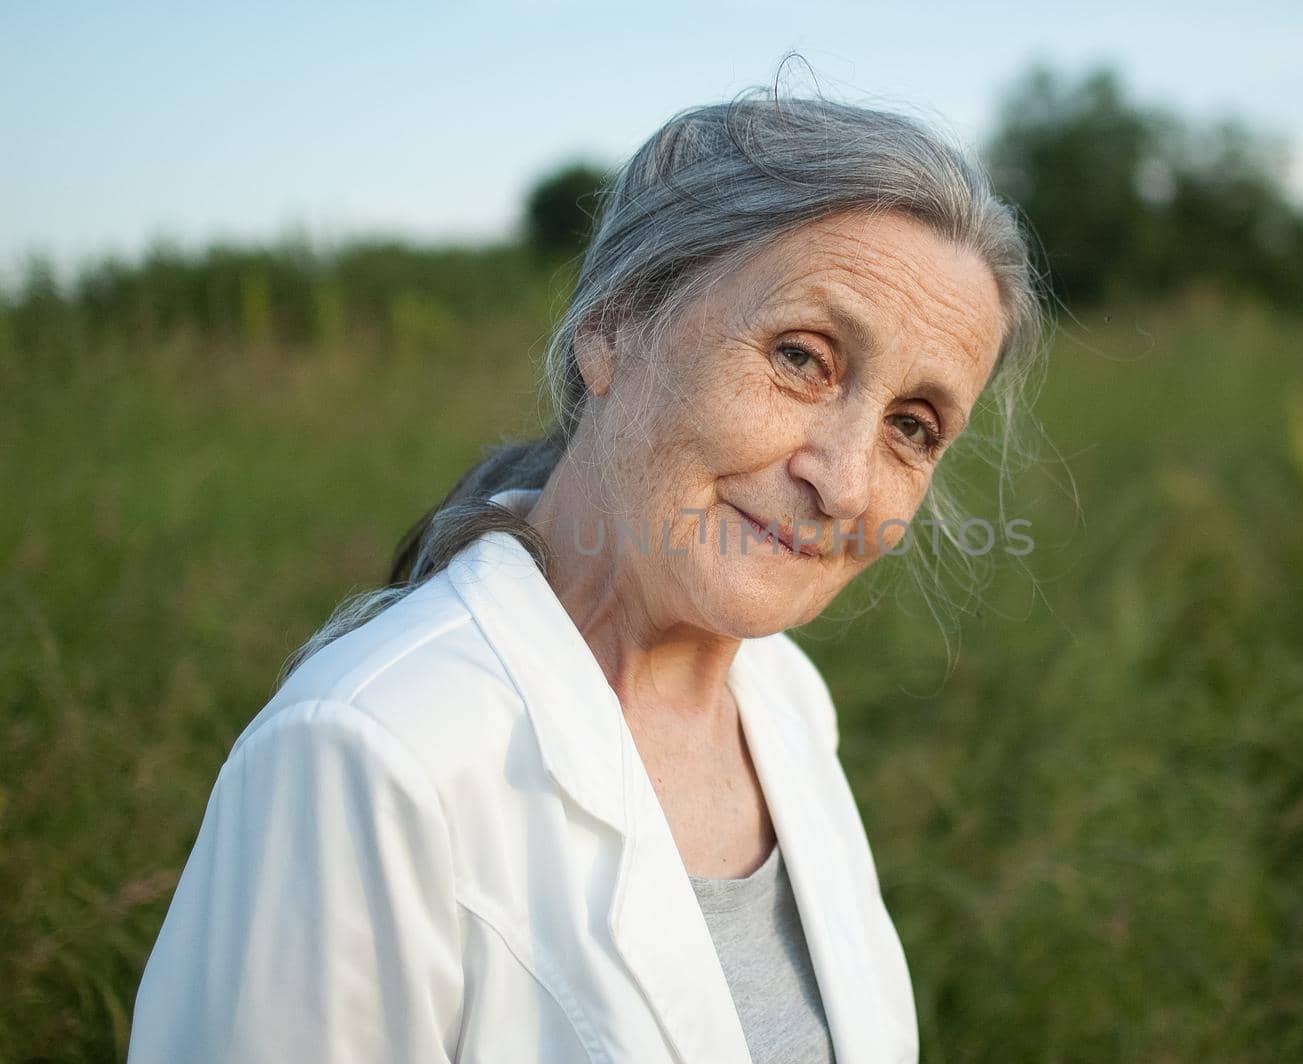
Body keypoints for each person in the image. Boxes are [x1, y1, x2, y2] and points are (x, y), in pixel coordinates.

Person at [127, 90, 1045, 1064]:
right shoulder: (368, 752)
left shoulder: (781, 695)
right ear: (610, 326)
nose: (845, 478)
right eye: (801, 358)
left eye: (913, 426)